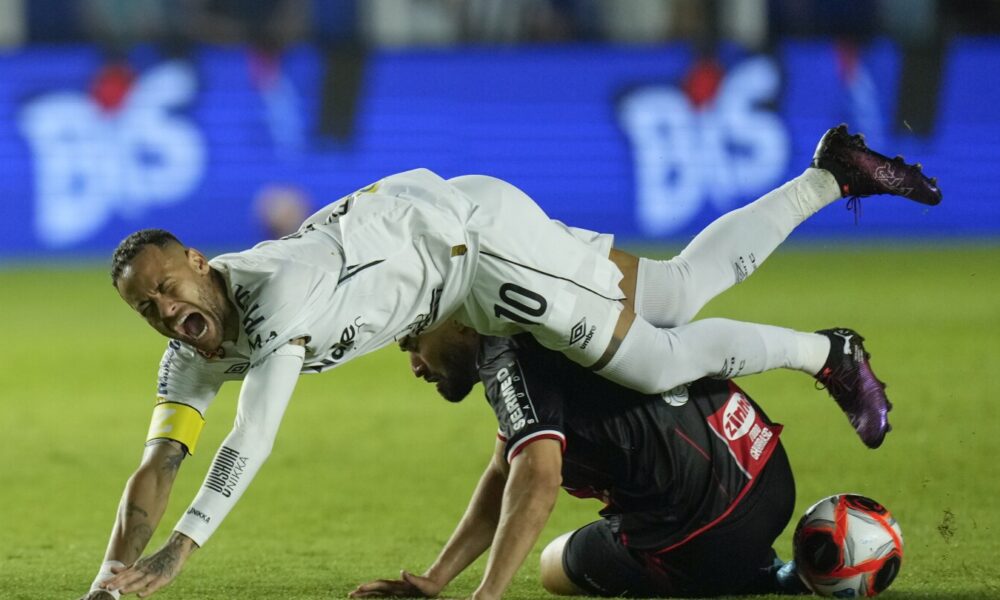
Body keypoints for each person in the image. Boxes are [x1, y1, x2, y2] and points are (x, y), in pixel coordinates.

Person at [82, 125, 939, 598]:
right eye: (145, 308)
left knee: (648, 361)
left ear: (198, 260)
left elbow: (254, 431)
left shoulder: (275, 290)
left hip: (478, 254)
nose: (164, 312)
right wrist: (104, 583)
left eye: (166, 287)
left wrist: (179, 555)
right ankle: (831, 175)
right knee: (674, 288)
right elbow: (159, 461)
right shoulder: (189, 342)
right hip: (459, 238)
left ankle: (827, 352)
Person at [352, 322, 809, 599]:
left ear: (460, 322)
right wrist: (436, 578)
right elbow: (503, 468)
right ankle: (777, 562)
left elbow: (539, 475)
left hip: (706, 537)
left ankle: (752, 572)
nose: (415, 364)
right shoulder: (549, 298)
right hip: (766, 468)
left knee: (555, 563)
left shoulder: (503, 353)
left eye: (413, 343)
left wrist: (487, 594)